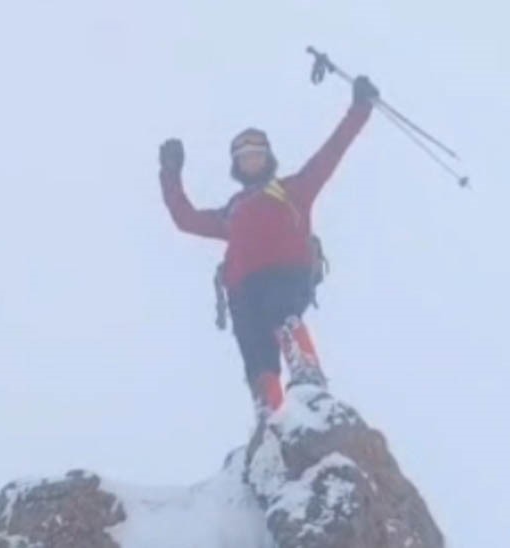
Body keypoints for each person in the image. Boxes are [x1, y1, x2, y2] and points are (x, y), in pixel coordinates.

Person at [158, 76, 379, 420]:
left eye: (257, 155)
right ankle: (269, 413)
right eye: (244, 157)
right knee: (255, 350)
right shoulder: (232, 210)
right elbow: (186, 219)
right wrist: (170, 174)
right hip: (241, 289)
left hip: (284, 273)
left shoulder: (293, 189)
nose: (251, 161)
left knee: (280, 309)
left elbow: (331, 153)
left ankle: (306, 374)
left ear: (268, 158)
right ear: (236, 165)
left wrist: (360, 108)